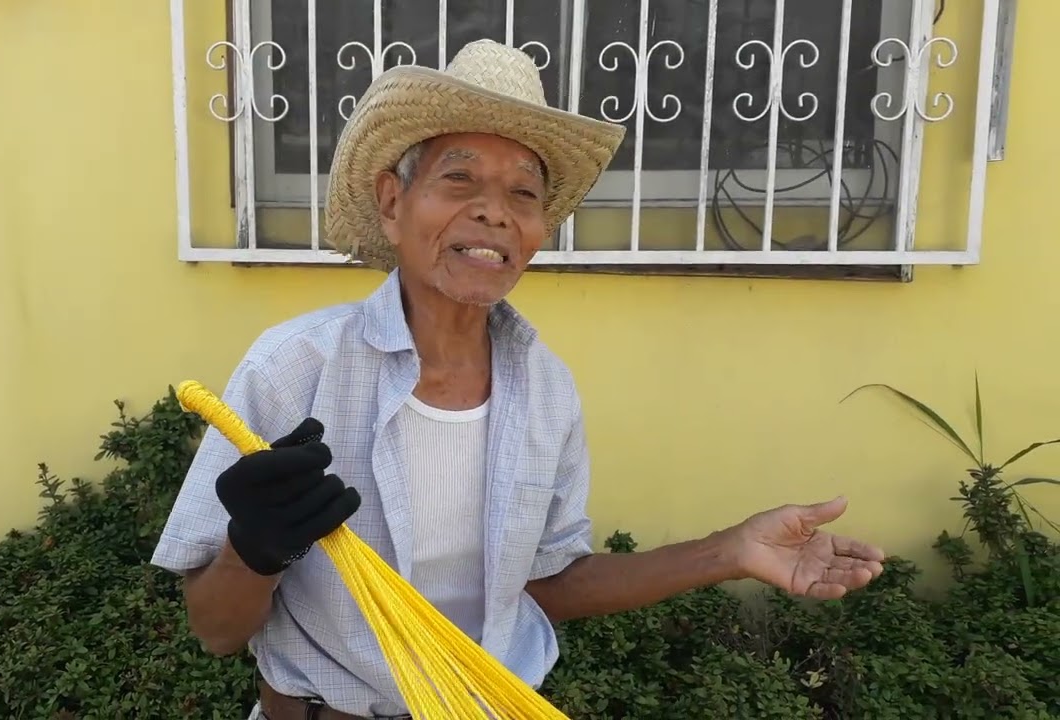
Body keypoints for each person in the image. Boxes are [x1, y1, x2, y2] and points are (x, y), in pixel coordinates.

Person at [152, 39, 886, 720]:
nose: (492, 213)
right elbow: (214, 629)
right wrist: (257, 549)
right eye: (459, 177)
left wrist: (731, 551)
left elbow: (546, 583)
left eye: (524, 194)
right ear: (390, 202)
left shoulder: (546, 389)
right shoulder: (292, 371)